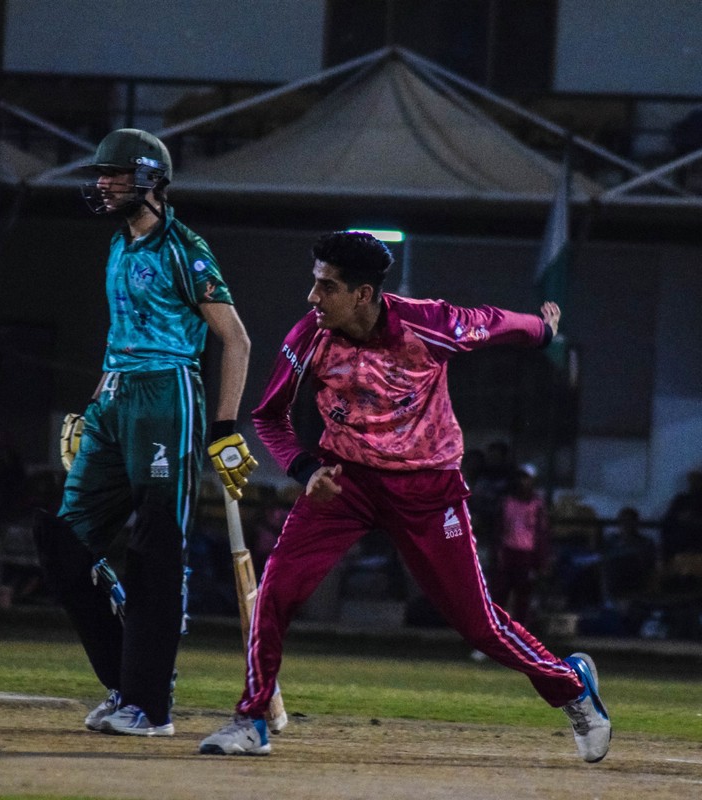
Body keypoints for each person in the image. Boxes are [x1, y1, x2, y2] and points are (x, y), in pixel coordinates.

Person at [198, 231, 610, 762]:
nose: (312, 297)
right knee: (275, 589)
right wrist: (306, 469)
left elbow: (494, 324)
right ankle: (252, 719)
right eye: (315, 282)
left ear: (363, 295)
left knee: (477, 624)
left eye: (327, 286)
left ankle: (572, 686)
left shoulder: (428, 323)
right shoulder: (309, 336)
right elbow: (269, 417)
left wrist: (542, 330)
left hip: (427, 488)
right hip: (344, 481)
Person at [32, 129, 255, 738]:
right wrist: (96, 403)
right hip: (116, 399)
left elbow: (235, 340)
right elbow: (121, 333)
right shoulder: (118, 244)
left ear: (151, 180)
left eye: (115, 174)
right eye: (100, 174)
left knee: (156, 548)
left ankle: (149, 707)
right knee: (63, 543)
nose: (102, 184)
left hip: (167, 397)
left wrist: (224, 429)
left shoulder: (185, 248)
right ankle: (127, 680)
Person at [490, 465, 551, 626]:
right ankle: (495, 628)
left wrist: (541, 560)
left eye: (526, 478)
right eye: (520, 478)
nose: (522, 482)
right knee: (500, 593)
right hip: (508, 551)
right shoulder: (506, 502)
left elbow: (541, 533)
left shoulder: (537, 505)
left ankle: (520, 630)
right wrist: (496, 553)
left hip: (526, 554)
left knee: (523, 597)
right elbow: (498, 529)